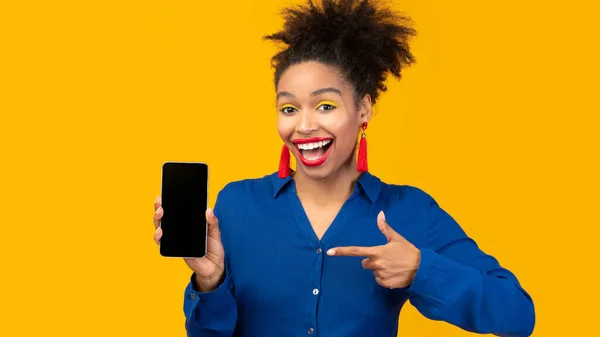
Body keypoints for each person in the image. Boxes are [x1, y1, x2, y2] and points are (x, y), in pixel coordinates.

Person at [152, 0, 536, 336]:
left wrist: (423, 270)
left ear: (363, 109)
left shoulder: (409, 212)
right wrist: (210, 280)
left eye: (325, 106)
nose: (303, 126)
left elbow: (518, 315)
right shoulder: (236, 205)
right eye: (289, 108)